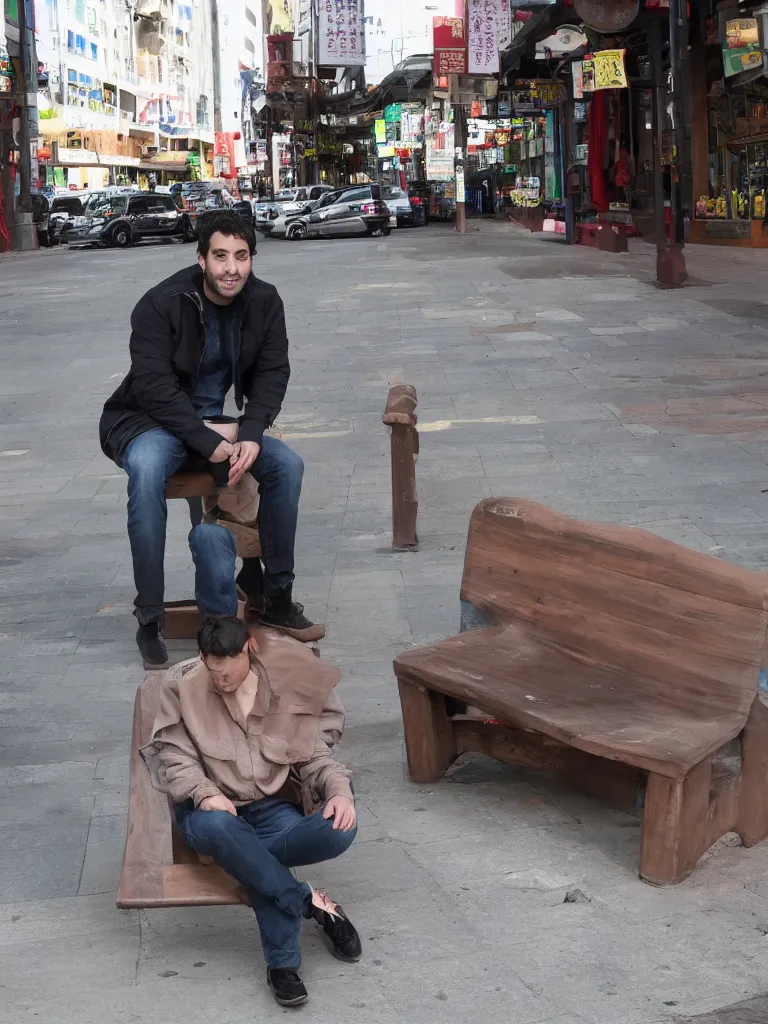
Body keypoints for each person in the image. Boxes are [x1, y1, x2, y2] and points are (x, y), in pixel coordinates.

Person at [99, 209, 322, 669]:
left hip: (214, 422)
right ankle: (150, 617)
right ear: (201, 259)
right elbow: (153, 386)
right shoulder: (161, 303)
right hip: (148, 420)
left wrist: (253, 434)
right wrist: (207, 440)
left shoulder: (264, 300)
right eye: (220, 256)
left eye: (241, 257)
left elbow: (274, 372)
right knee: (145, 473)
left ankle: (275, 598)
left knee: (287, 466)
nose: (231, 269)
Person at [140, 616, 361, 1007]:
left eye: (227, 671)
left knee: (336, 830)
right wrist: (205, 793)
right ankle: (301, 919)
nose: (220, 679)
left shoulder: (279, 684)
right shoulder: (184, 686)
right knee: (223, 830)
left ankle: (287, 929)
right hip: (215, 818)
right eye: (213, 670)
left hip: (274, 809)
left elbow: (312, 752)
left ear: (249, 649)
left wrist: (339, 792)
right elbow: (173, 758)